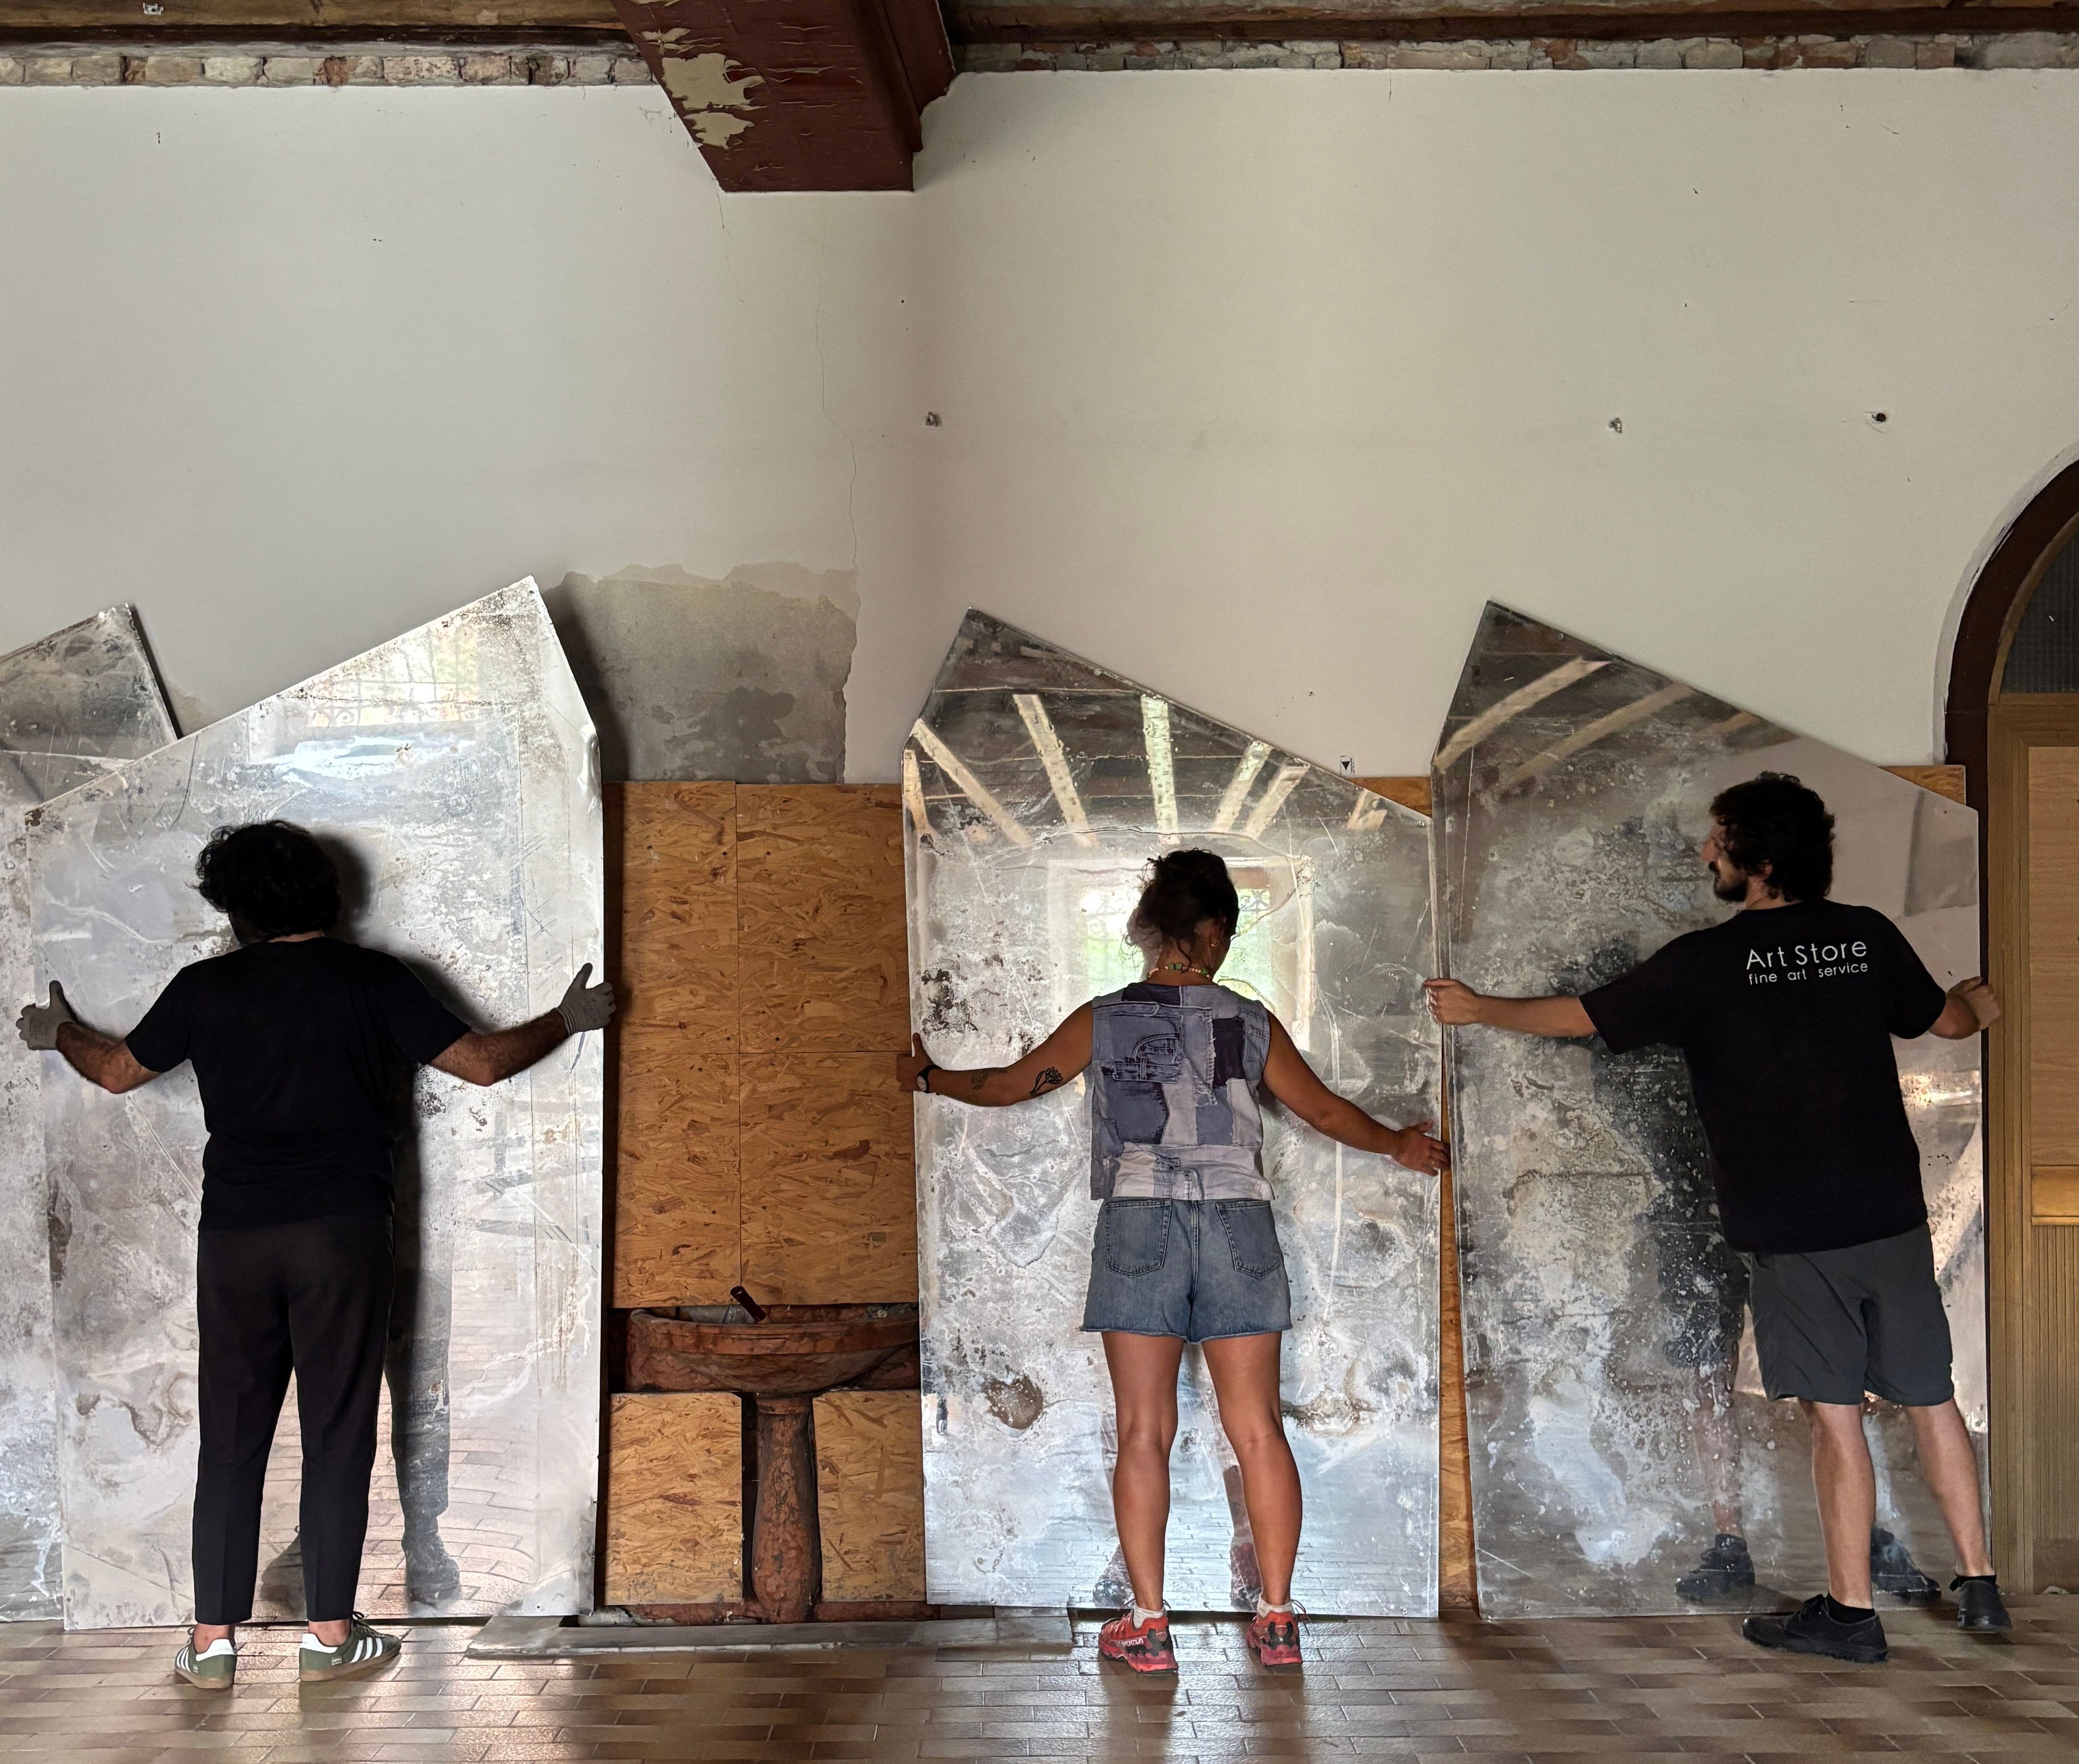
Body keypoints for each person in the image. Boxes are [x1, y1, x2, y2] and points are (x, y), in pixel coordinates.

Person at [14, 820, 614, 1690]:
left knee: (231, 1440)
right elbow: (484, 1064)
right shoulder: (373, 979)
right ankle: (329, 1636)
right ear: (327, 896)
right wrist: (568, 1017)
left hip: (235, 1242)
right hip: (341, 1236)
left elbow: (113, 1070)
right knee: (336, 1433)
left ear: (237, 911)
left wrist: (59, 1030)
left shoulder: (204, 987)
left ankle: (211, 1644)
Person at [1426, 772, 2006, 1664]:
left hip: (1794, 1232)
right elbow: (1949, 1021)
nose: (1706, 852)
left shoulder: (1707, 962)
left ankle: (1851, 1613)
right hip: (1891, 1217)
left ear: (1757, 860)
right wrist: (1981, 1005)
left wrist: (1479, 1009)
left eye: (1718, 840)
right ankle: (1982, 1586)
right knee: (1933, 1400)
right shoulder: (1864, 936)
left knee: (1836, 1419)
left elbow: (1580, 1017)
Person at [896, 848, 1448, 1674]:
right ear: (1212, 930)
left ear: (1156, 928)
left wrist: (929, 1077)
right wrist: (1400, 1144)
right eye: (1227, 934)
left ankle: (1149, 1625)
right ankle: (1277, 1619)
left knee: (1143, 1431)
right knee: (1258, 1428)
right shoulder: (1248, 1020)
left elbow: (1013, 1084)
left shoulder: (1105, 1017)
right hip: (1238, 1220)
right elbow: (1327, 1112)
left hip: (1139, 1218)